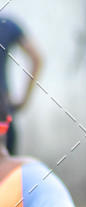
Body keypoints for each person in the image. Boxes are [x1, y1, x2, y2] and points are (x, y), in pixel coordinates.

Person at [0, 15, 43, 154]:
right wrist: (24, 100)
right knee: (7, 172)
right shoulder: (7, 24)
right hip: (3, 114)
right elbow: (37, 59)